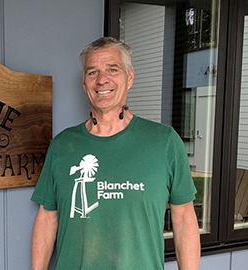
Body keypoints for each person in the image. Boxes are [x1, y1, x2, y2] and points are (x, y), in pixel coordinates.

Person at [30, 37, 200, 269]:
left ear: (130, 78)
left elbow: (183, 219)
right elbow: (47, 218)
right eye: (92, 72)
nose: (102, 80)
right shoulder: (62, 145)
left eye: (113, 69)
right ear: (84, 84)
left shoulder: (164, 142)